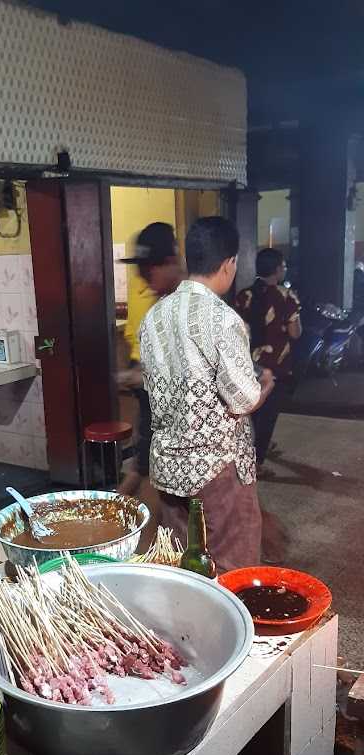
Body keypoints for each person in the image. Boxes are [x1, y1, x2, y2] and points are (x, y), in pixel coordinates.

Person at [139, 216, 274, 574]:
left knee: (184, 565)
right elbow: (243, 398)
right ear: (229, 264)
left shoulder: (153, 318)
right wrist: (265, 385)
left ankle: (189, 629)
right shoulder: (222, 319)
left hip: (169, 467)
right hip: (217, 471)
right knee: (233, 567)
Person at [117, 222, 181, 495]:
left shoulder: (186, 305)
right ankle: (136, 474)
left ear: (169, 262)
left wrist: (142, 375)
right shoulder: (161, 302)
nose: (142, 278)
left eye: (147, 269)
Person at [235, 248, 302, 475]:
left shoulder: (243, 296)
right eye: (283, 266)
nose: (284, 270)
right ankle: (257, 462)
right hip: (276, 367)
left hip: (250, 365)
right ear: (276, 270)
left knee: (254, 411)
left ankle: (258, 446)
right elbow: (295, 333)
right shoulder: (286, 296)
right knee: (269, 415)